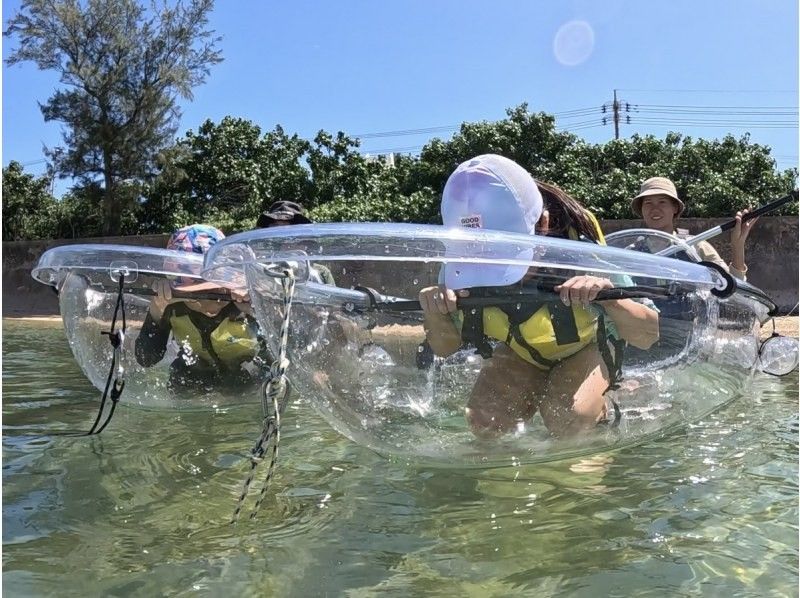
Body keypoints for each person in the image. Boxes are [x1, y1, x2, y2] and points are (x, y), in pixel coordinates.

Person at [419, 155, 659, 439]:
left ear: (542, 225)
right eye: (478, 256)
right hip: (523, 351)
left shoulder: (584, 257)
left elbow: (649, 334)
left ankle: (604, 406)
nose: (490, 268)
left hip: (583, 349)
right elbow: (445, 348)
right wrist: (435, 312)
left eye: (505, 254)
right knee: (484, 420)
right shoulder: (455, 273)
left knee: (570, 417)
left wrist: (609, 298)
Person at [134, 224, 266, 391]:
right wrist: (156, 310)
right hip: (193, 378)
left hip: (246, 377)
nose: (209, 305)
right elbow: (146, 359)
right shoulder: (171, 305)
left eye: (216, 291)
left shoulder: (241, 300)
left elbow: (288, 351)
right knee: (182, 376)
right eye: (196, 295)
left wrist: (257, 311)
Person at [630, 177, 757, 280]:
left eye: (662, 202)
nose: (655, 209)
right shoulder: (631, 253)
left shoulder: (695, 246)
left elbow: (732, 283)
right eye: (648, 203)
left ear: (675, 208)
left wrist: (738, 245)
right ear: (641, 209)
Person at [257, 200, 336, 285]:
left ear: (302, 238)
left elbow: (334, 298)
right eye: (277, 237)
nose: (285, 244)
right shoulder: (261, 269)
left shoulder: (320, 273)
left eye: (290, 236)